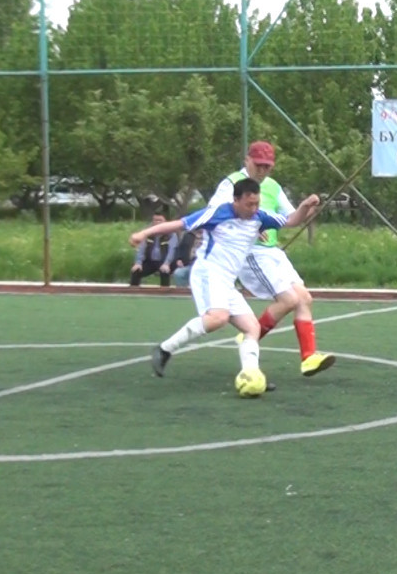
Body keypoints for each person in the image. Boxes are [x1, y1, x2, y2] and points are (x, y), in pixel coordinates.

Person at [131, 178, 319, 390]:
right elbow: (178, 224)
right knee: (217, 318)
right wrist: (143, 234)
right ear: (235, 200)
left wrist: (304, 206)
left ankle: (251, 374)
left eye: (256, 203)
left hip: (226, 281)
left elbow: (292, 220)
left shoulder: (259, 217)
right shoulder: (217, 213)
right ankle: (164, 350)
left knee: (252, 328)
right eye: (249, 204)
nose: (253, 209)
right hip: (208, 273)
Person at [218, 141, 335, 377]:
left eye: (267, 166)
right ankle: (251, 335)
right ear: (247, 161)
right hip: (251, 252)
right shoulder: (231, 184)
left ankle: (308, 358)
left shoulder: (272, 186)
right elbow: (216, 213)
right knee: (289, 300)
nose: (263, 170)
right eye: (258, 165)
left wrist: (307, 207)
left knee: (304, 298)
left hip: (272, 252)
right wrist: (247, 226)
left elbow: (291, 217)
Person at [130, 211, 178, 287]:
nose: (157, 222)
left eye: (160, 220)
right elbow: (141, 248)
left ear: (165, 221)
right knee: (136, 271)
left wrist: (166, 264)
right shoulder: (147, 232)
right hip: (150, 261)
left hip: (165, 261)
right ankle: (133, 292)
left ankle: (164, 293)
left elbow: (172, 251)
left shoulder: (171, 234)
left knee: (165, 272)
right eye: (155, 220)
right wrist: (138, 263)